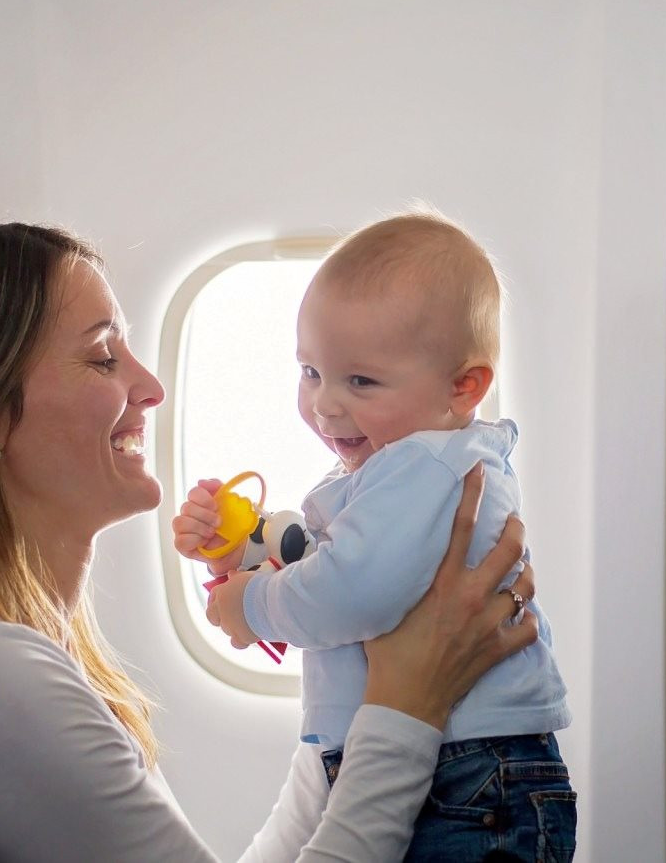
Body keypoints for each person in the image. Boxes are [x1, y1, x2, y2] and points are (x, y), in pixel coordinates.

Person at [0, 222, 538, 862]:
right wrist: (408, 705)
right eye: (103, 358)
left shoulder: (15, 652)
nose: (151, 385)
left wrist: (349, 732)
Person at [175, 210, 574, 862]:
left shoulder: (424, 465)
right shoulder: (397, 468)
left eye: (359, 381)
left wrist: (249, 606)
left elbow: (353, 590)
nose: (325, 404)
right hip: (452, 765)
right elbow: (329, 558)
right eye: (310, 372)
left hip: (469, 775)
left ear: (463, 385)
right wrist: (239, 545)